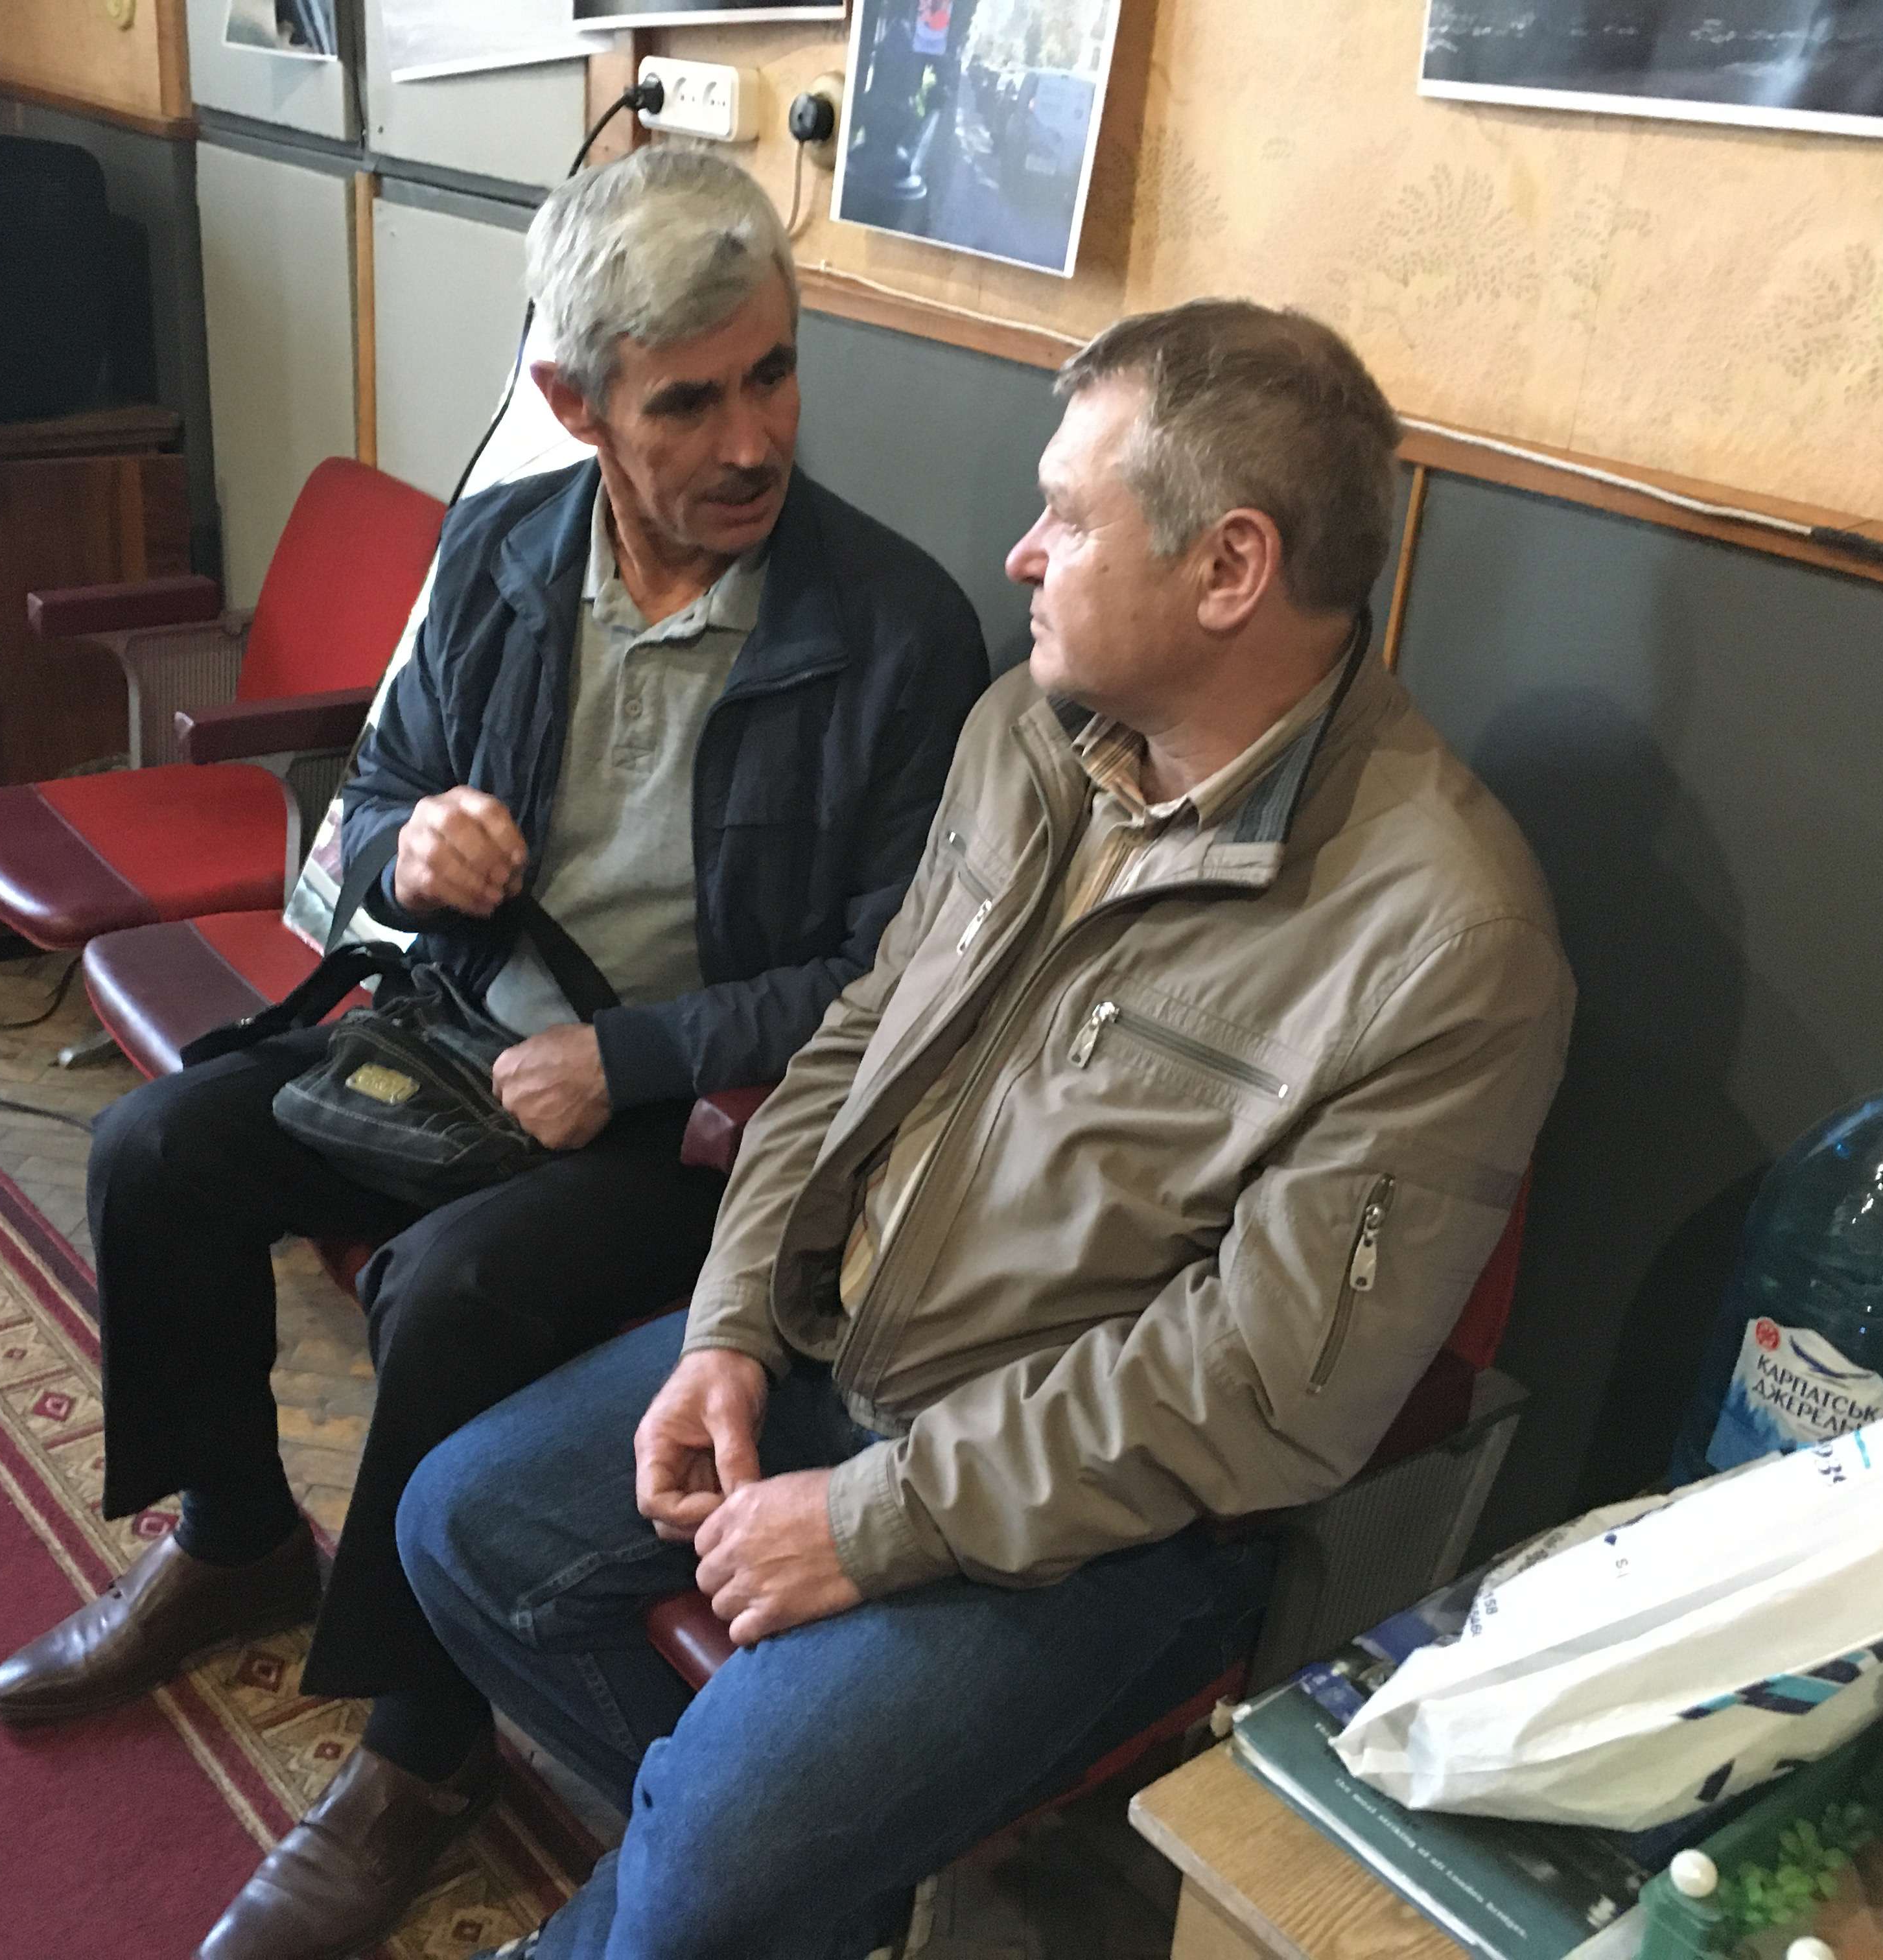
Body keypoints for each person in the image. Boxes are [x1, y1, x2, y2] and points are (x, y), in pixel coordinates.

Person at [397, 298, 1579, 1960]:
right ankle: (754, 1904)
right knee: (462, 1530)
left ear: (1230, 568)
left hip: (1097, 1524)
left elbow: (1264, 1392)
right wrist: (730, 1330)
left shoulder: (1447, 937)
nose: (1021, 554)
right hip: (839, 1350)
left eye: (1067, 517)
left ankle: (696, 1900)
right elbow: (854, 1044)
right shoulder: (1028, 728)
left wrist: (875, 1522)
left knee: (726, 1835)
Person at [0, 147, 990, 1960]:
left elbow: (888, 977)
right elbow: (369, 800)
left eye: (773, 375)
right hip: (455, 1042)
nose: (753, 439)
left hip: (692, 1136)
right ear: (573, 403)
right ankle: (237, 1539)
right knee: (157, 1150)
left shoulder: (896, 630)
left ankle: (424, 1748)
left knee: (446, 1291)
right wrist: (408, 848)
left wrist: (638, 1055)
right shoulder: (504, 550)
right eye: (689, 402)